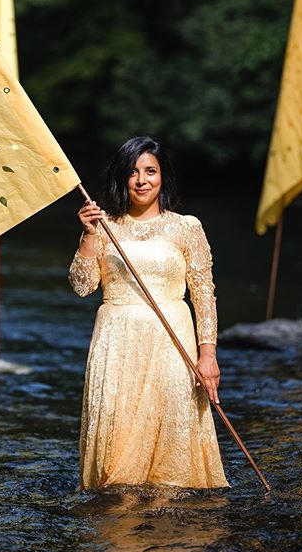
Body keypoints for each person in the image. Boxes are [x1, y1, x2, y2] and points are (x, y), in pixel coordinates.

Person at [68, 136, 229, 490]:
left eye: (150, 171)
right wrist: (88, 235)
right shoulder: (104, 224)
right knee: (117, 448)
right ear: (122, 178)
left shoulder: (187, 227)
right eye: (133, 172)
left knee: (172, 436)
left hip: (172, 340)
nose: (142, 180)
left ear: (162, 177)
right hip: (116, 342)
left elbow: (203, 294)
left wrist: (208, 355)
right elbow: (82, 287)